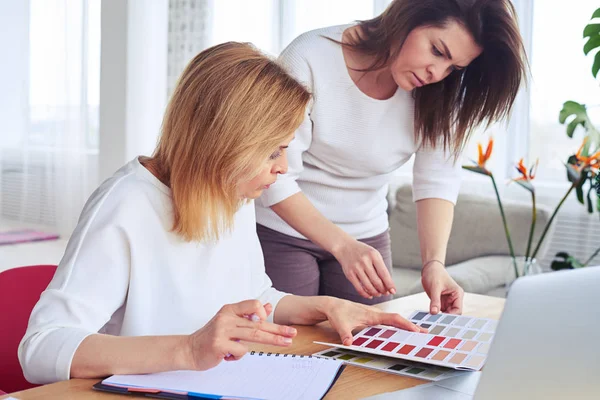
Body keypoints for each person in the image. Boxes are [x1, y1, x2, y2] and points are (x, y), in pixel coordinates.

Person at [18, 42, 425, 385]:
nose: (284, 168)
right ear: (225, 142)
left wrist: (322, 307)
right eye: (272, 151)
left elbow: (252, 296)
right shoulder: (125, 205)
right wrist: (187, 349)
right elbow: (40, 348)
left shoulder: (232, 194)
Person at [255, 0, 527, 312]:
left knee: (372, 352)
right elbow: (274, 174)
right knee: (288, 347)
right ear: (408, 15)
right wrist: (342, 245)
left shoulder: (441, 92)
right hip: (284, 231)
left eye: (453, 67)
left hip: (366, 237)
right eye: (437, 51)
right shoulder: (310, 56)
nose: (437, 73)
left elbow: (437, 181)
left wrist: (434, 264)